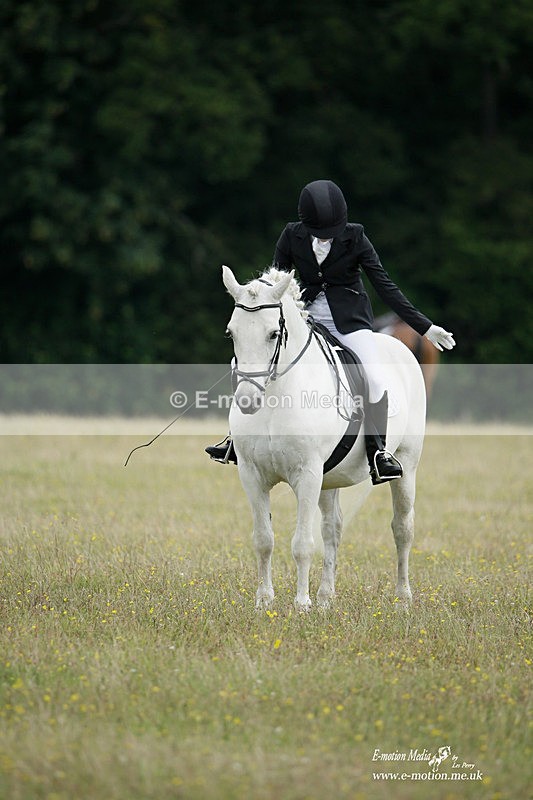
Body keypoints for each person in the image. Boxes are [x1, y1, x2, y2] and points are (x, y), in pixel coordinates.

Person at [206, 179, 455, 483]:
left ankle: (378, 453)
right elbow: (274, 285)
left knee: (374, 378)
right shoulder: (291, 235)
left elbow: (385, 286)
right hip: (305, 319)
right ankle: (237, 439)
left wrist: (425, 327)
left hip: (349, 322)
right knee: (263, 363)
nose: (324, 239)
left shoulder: (356, 237)